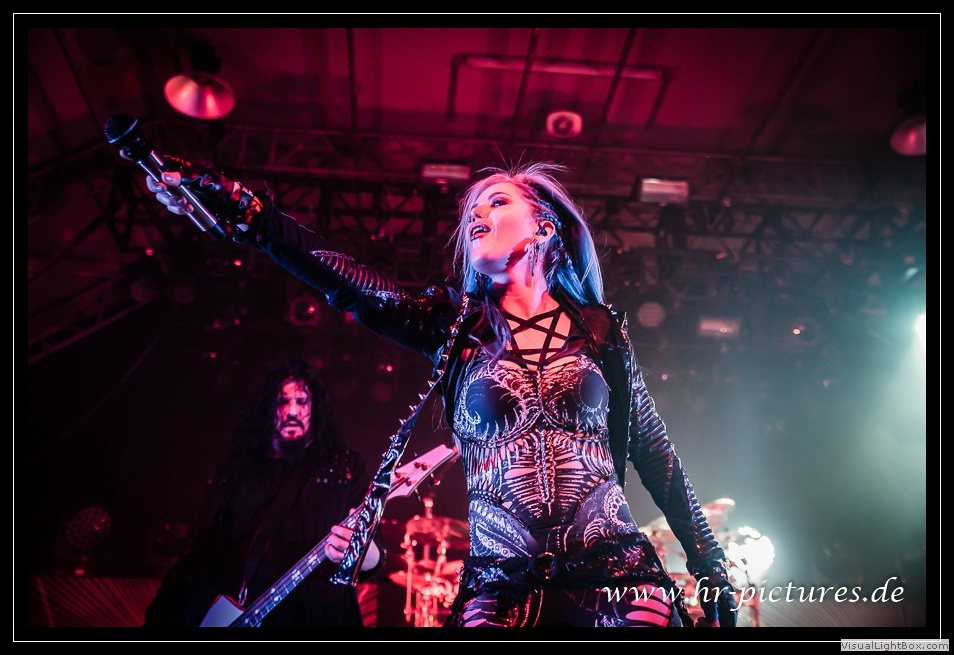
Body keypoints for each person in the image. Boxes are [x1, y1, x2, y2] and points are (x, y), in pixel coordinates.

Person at [137, 157, 737, 628]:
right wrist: (251, 213)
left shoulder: (601, 330)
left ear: (544, 225)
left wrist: (710, 566)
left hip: (616, 576)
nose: (476, 212)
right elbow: (345, 280)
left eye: (497, 201)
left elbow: (655, 453)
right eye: (472, 207)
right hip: (500, 587)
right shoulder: (454, 327)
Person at [142, 358, 384, 628]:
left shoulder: (345, 468)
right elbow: (201, 554)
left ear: (315, 408)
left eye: (302, 401)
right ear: (267, 408)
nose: (292, 411)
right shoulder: (237, 470)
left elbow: (375, 555)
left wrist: (364, 553)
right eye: (282, 402)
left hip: (317, 617)